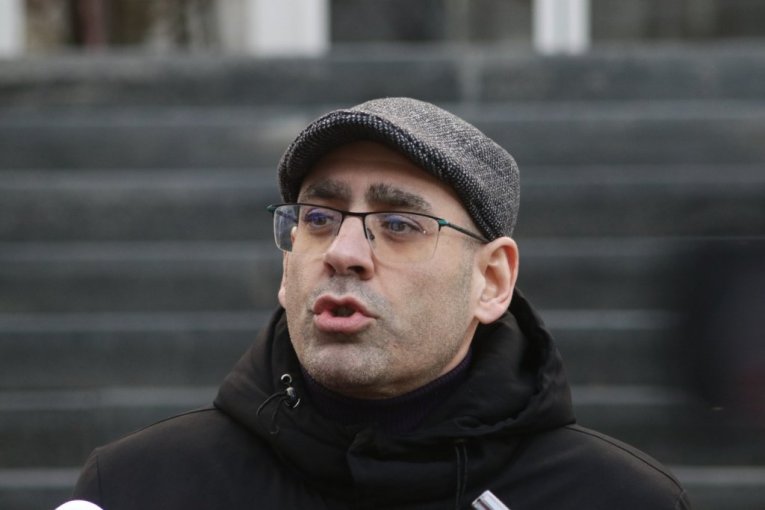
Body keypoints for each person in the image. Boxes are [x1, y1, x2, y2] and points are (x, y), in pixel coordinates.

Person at [69, 97, 690, 509]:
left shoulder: (617, 500)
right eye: (319, 217)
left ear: (491, 280)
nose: (343, 253)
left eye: (398, 224)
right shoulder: (135, 488)